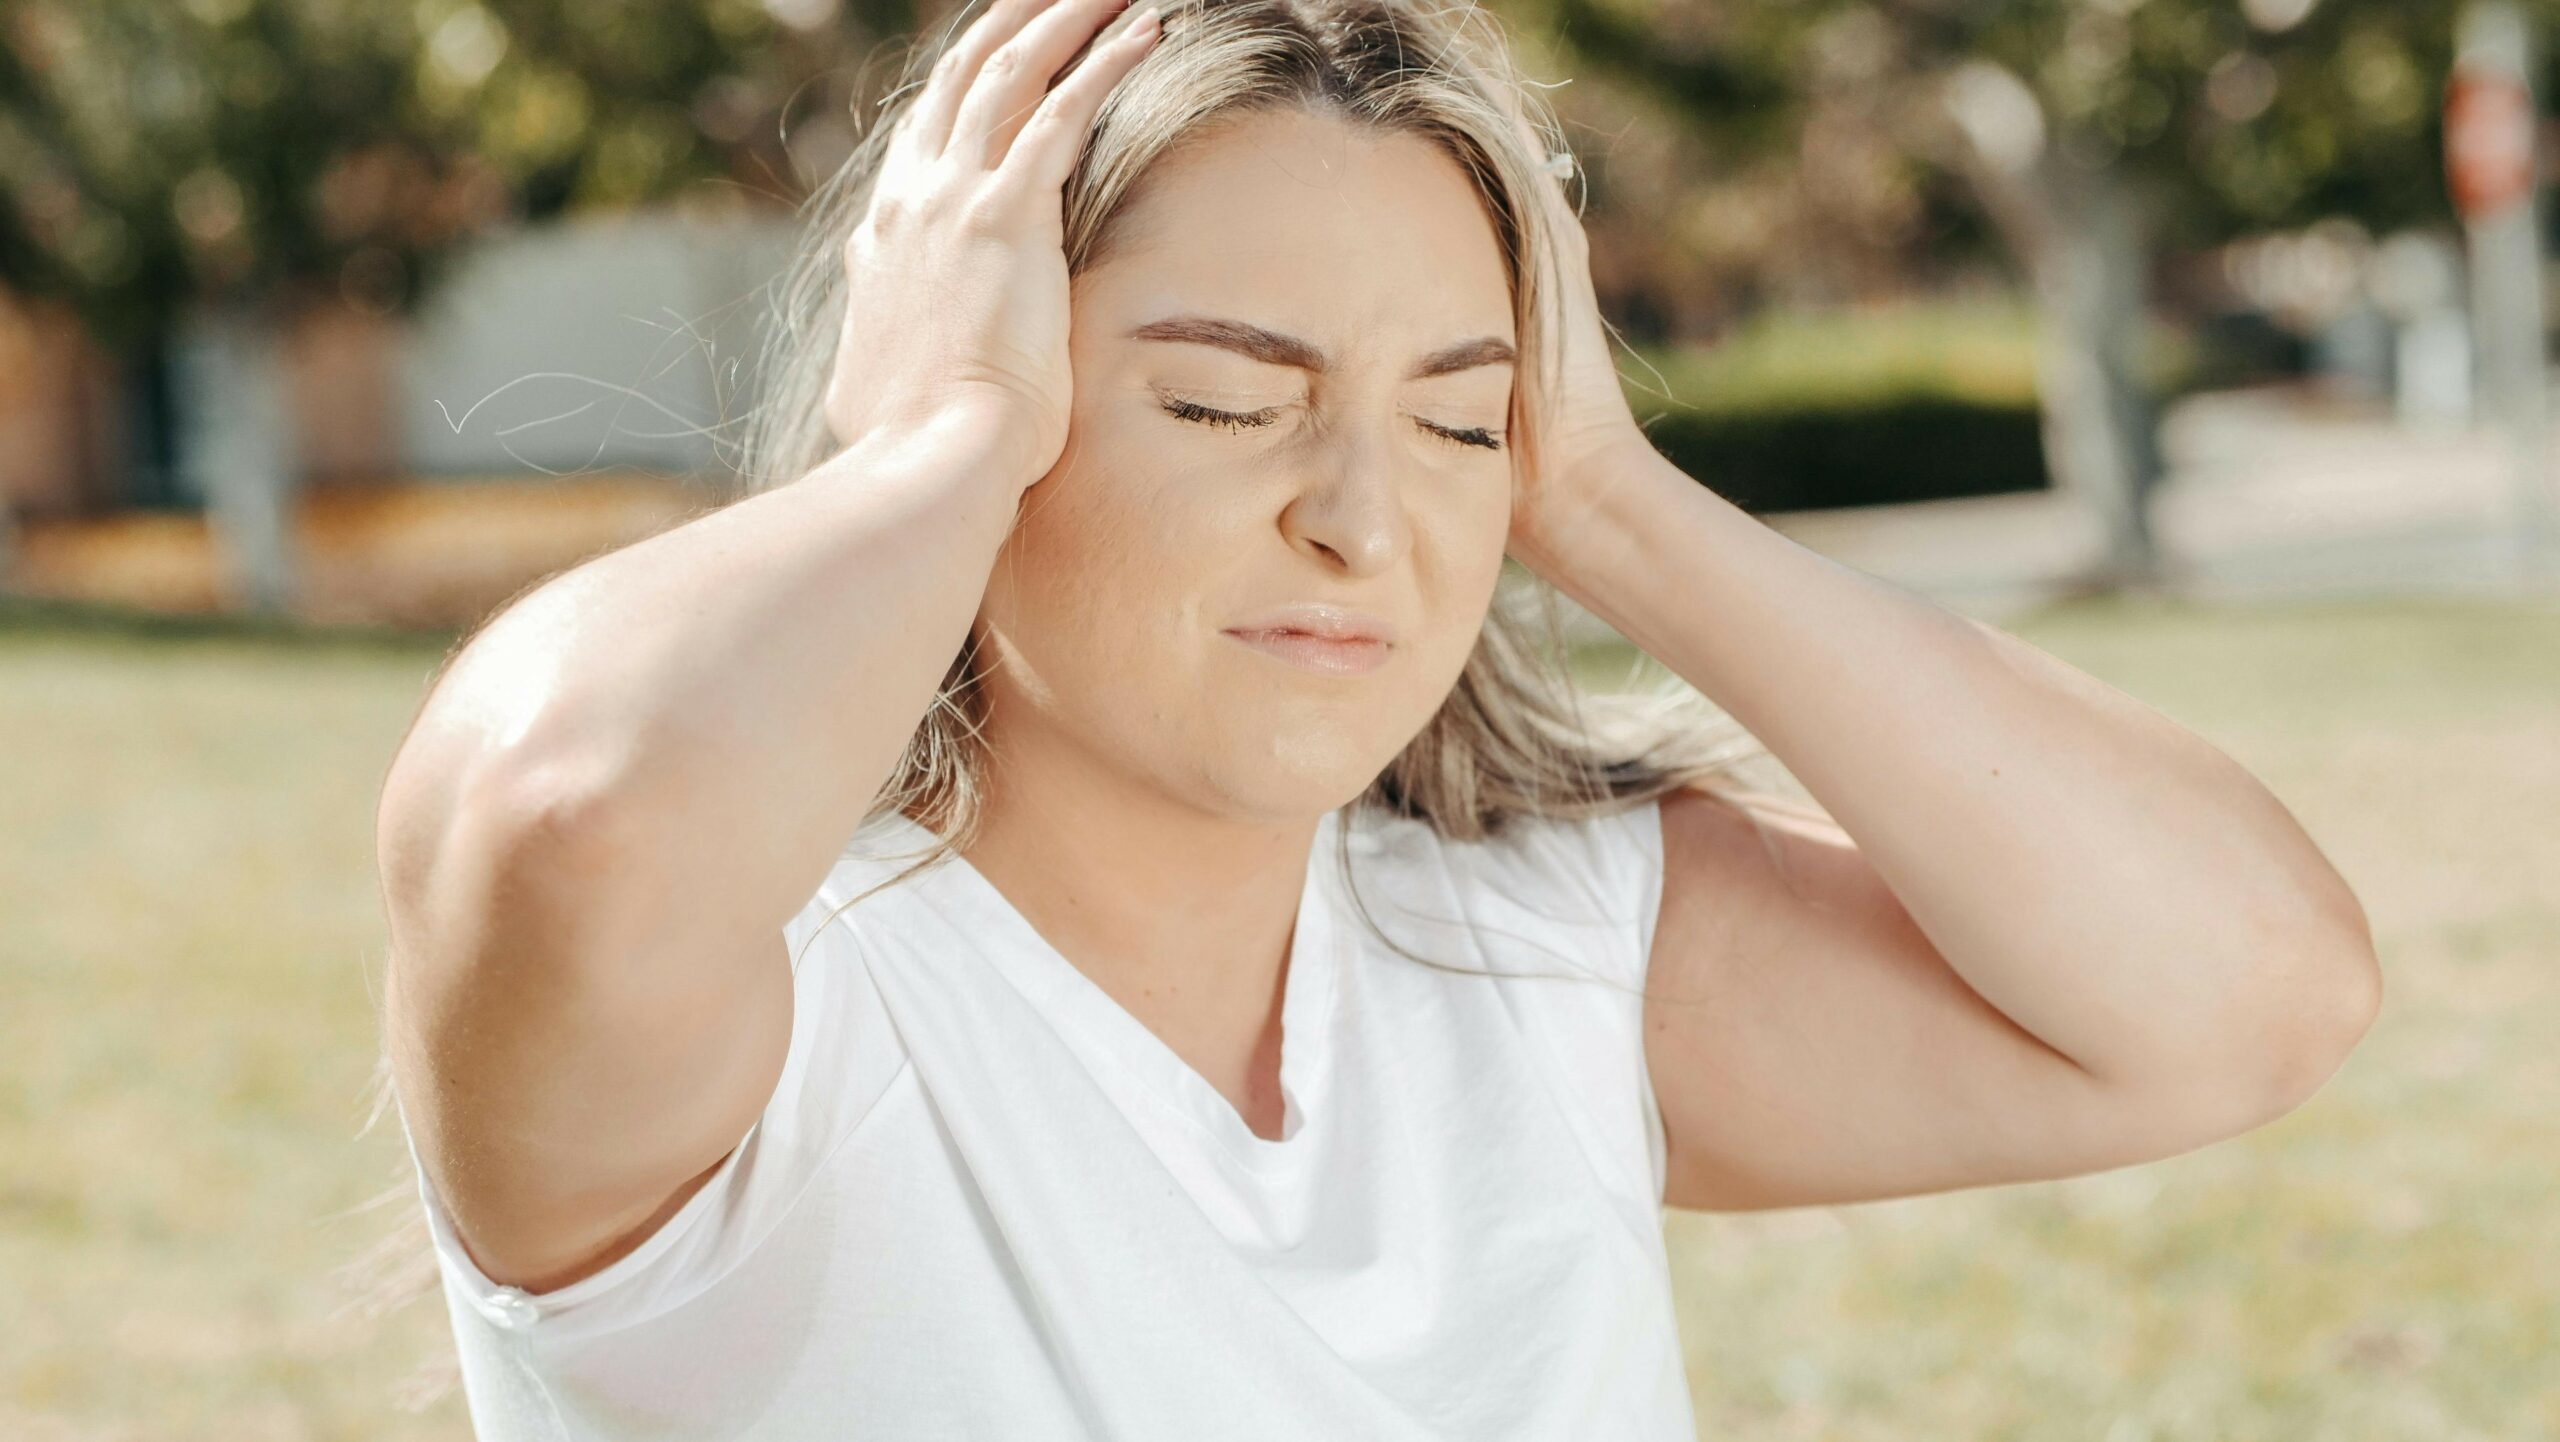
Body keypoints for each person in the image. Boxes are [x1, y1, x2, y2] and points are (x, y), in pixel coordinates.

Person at [364, 0, 2383, 1434]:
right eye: (1223, 400)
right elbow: (570, 808)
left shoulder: (1540, 961)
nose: (1359, 519)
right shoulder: (771, 1030)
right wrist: (933, 438)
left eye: (1456, 419)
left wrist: (1610, 499)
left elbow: (2251, 992)